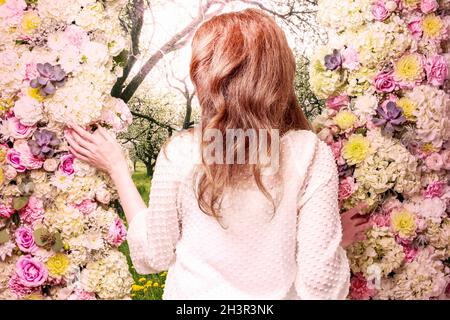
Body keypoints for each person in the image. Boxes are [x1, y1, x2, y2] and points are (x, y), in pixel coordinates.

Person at [65, 9, 370, 299]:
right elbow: (321, 286)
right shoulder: (309, 152)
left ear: (206, 78)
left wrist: (118, 168)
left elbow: (154, 255)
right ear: (278, 75)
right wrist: (328, 243)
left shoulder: (181, 153)